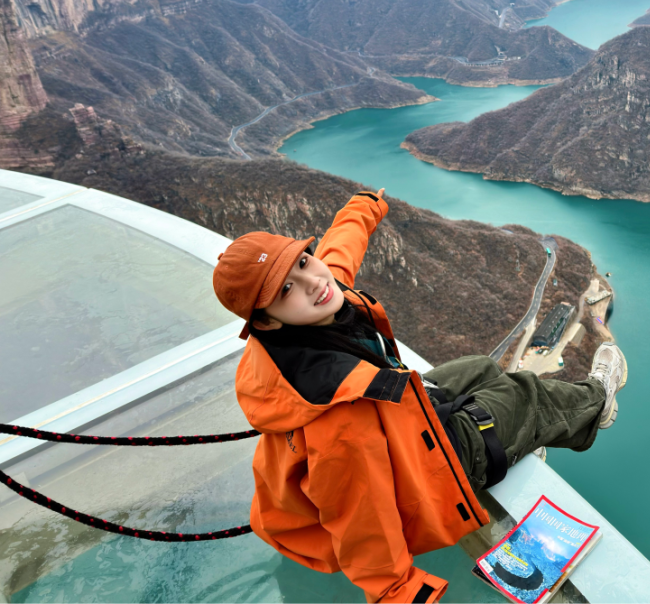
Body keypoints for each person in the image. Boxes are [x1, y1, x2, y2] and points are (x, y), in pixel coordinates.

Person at [211, 189, 627, 604]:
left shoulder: (306, 316)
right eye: (286, 290)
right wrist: (398, 591)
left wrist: (365, 206)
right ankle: (596, 401)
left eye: (304, 261)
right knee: (522, 395)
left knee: (480, 368)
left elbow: (339, 251)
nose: (312, 281)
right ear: (265, 322)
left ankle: (518, 437)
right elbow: (359, 514)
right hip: (409, 487)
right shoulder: (338, 419)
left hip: (392, 438)